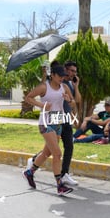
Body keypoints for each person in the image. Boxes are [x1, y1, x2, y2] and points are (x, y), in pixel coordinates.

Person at [22, 65, 75, 196]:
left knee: (47, 153)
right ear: (53, 75)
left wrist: (69, 100)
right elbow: (28, 97)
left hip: (58, 121)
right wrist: (42, 105)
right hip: (46, 123)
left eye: (64, 76)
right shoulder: (44, 87)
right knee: (57, 154)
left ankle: (29, 172)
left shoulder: (65, 87)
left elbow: (73, 103)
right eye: (60, 76)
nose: (62, 78)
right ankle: (60, 185)